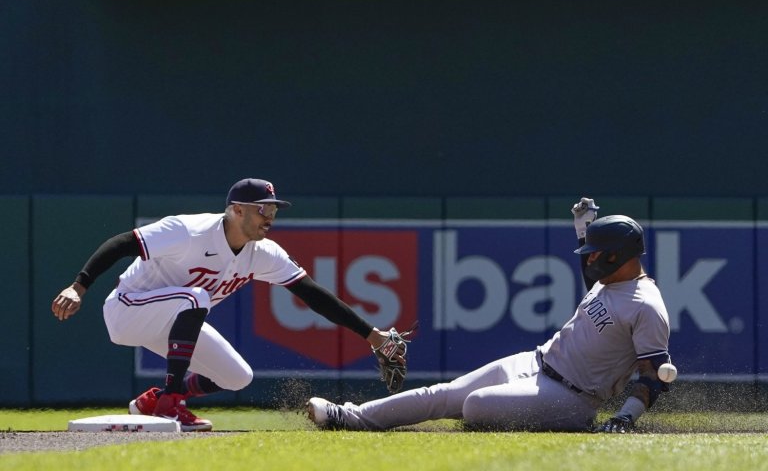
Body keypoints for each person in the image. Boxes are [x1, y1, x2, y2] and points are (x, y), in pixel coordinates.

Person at [51, 178, 405, 432]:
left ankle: (153, 399)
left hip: (171, 321)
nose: (270, 215)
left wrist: (371, 335)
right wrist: (79, 286)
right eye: (262, 208)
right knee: (196, 296)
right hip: (128, 310)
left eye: (274, 209)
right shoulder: (189, 230)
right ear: (237, 210)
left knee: (237, 376)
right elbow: (122, 243)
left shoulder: (262, 253)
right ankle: (171, 402)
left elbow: (312, 294)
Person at [307, 198, 672, 433]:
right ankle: (348, 416)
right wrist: (583, 230)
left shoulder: (647, 306)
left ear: (616, 256)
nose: (588, 258)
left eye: (595, 252)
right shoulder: (608, 281)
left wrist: (625, 418)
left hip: (573, 399)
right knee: (443, 394)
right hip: (536, 362)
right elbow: (591, 279)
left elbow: (654, 375)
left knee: (476, 405)